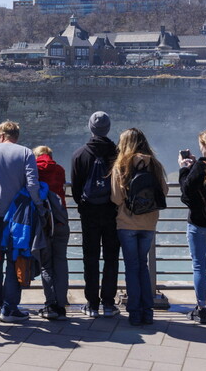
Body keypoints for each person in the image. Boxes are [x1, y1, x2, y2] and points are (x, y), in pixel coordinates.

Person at [0, 120, 42, 323]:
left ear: (2, 136)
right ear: (16, 136)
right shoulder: (26, 153)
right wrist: (40, 207)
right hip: (19, 218)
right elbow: (32, 184)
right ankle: (9, 309)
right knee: (15, 261)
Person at [110, 128, 168, 326]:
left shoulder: (121, 165)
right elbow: (165, 191)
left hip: (127, 223)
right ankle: (148, 312)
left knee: (132, 267)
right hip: (149, 222)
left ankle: (134, 313)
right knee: (142, 265)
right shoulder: (155, 164)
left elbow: (116, 198)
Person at [71, 111, 121, 318]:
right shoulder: (118, 154)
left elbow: (75, 190)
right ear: (108, 129)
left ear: (91, 128)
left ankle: (92, 304)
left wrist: (84, 205)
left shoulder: (79, 154)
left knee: (90, 258)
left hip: (89, 213)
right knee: (111, 257)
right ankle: (108, 303)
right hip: (112, 212)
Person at [178, 129, 206, 325]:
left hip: (197, 222)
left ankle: (201, 308)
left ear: (205, 146)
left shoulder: (201, 166)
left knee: (199, 266)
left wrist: (184, 168)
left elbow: (186, 192)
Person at [34, 146, 70, 320]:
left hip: (44, 224)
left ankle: (50, 306)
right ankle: (61, 306)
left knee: (46, 265)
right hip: (61, 220)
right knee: (61, 262)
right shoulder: (60, 169)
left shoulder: (33, 170)